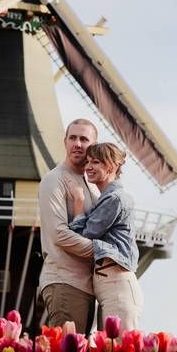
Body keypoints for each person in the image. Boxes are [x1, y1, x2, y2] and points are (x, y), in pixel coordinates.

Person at [70, 142, 143, 333]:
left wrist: (78, 205)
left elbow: (83, 236)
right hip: (109, 284)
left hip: (117, 285)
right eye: (88, 162)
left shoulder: (114, 200)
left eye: (96, 162)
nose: (88, 167)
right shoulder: (106, 199)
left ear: (112, 166)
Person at [38, 118, 100, 331]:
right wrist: (102, 252)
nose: (77, 144)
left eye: (84, 139)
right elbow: (59, 234)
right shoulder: (54, 180)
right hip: (65, 281)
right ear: (64, 142)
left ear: (94, 145)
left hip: (86, 285)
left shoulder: (91, 187)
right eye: (72, 138)